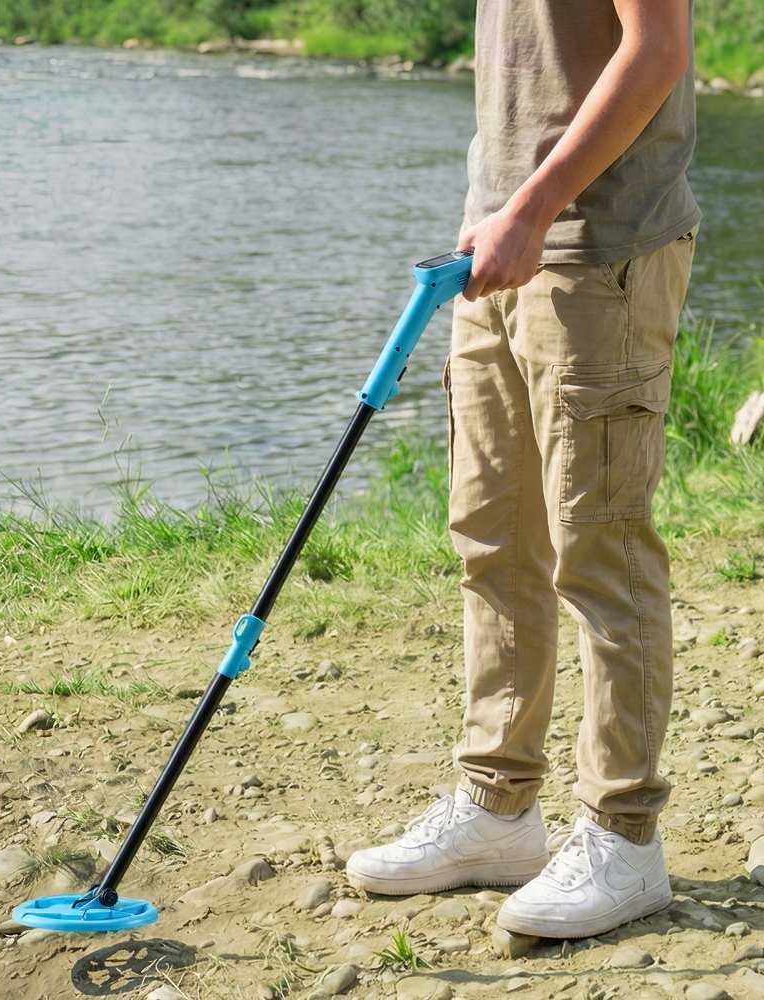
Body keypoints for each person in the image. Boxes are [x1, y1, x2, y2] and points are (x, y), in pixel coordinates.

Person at [347, 0, 700, 940]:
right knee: (493, 539)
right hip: (498, 245)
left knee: (601, 549)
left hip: (602, 249)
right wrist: (495, 213)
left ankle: (625, 839)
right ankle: (499, 808)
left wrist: (534, 206)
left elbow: (659, 46)